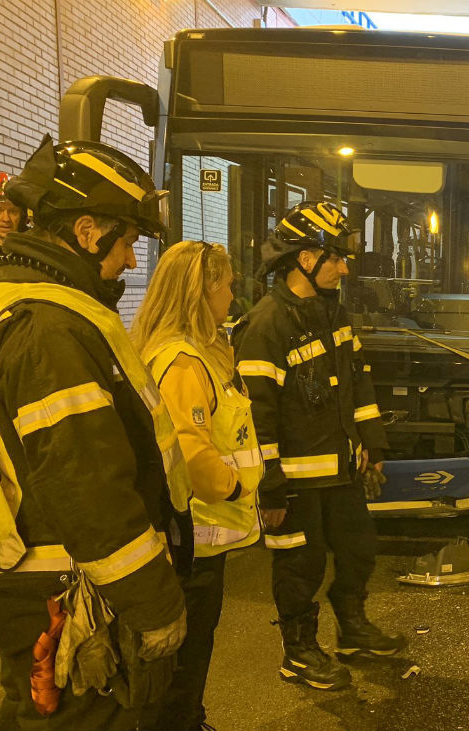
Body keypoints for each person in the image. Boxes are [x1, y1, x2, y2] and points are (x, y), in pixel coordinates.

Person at [0, 135, 190, 729]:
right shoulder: (46, 326)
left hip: (31, 581)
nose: (130, 261)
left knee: (33, 713)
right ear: (85, 230)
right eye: (125, 242)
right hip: (67, 588)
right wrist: (154, 605)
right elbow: (87, 484)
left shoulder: (0, 297)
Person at [233, 201, 405, 692]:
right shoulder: (266, 326)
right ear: (305, 259)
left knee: (358, 550)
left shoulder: (334, 313)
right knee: (300, 567)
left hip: (342, 470)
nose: (344, 267)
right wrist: (270, 487)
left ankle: (352, 631)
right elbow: (255, 416)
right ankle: (299, 652)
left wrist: (371, 443)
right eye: (335, 257)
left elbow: (357, 381)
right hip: (294, 483)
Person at [133, 241, 262, 730]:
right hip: (196, 537)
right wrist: (233, 488)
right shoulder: (184, 362)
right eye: (227, 286)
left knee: (184, 660)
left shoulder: (178, 352)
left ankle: (190, 718)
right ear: (202, 291)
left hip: (194, 534)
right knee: (185, 659)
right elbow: (189, 449)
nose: (233, 296)